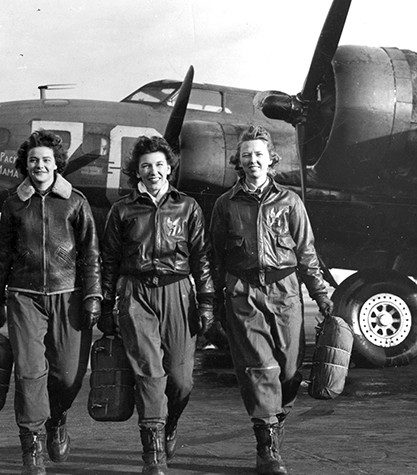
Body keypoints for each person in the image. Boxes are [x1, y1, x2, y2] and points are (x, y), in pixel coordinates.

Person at [209, 125, 334, 475]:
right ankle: (267, 448)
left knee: (290, 372)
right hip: (243, 294)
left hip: (286, 293)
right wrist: (214, 302)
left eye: (259, 154)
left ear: (270, 160)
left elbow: (307, 252)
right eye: (246, 155)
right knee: (259, 367)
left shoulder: (290, 201)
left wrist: (321, 296)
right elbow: (215, 256)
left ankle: (274, 423)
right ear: (239, 161)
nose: (252, 161)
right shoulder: (225, 204)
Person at [0, 129, 102, 475]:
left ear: (57, 164)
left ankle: (57, 418)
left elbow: (91, 255)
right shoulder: (14, 204)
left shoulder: (76, 201)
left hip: (69, 297)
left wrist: (93, 295)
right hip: (25, 298)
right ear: (26, 165)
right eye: (33, 160)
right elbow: (0, 257)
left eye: (46, 159)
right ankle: (31, 446)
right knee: (31, 373)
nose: (40, 165)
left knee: (67, 375)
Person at [100, 135, 215, 474]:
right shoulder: (122, 210)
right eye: (146, 165)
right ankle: (153, 453)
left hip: (178, 291)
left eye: (159, 164)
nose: (153, 171)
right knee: (149, 374)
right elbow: (108, 260)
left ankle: (169, 424)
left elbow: (202, 258)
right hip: (136, 293)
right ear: (136, 170)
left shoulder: (188, 207)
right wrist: (108, 305)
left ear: (169, 168)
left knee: (180, 380)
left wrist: (206, 302)